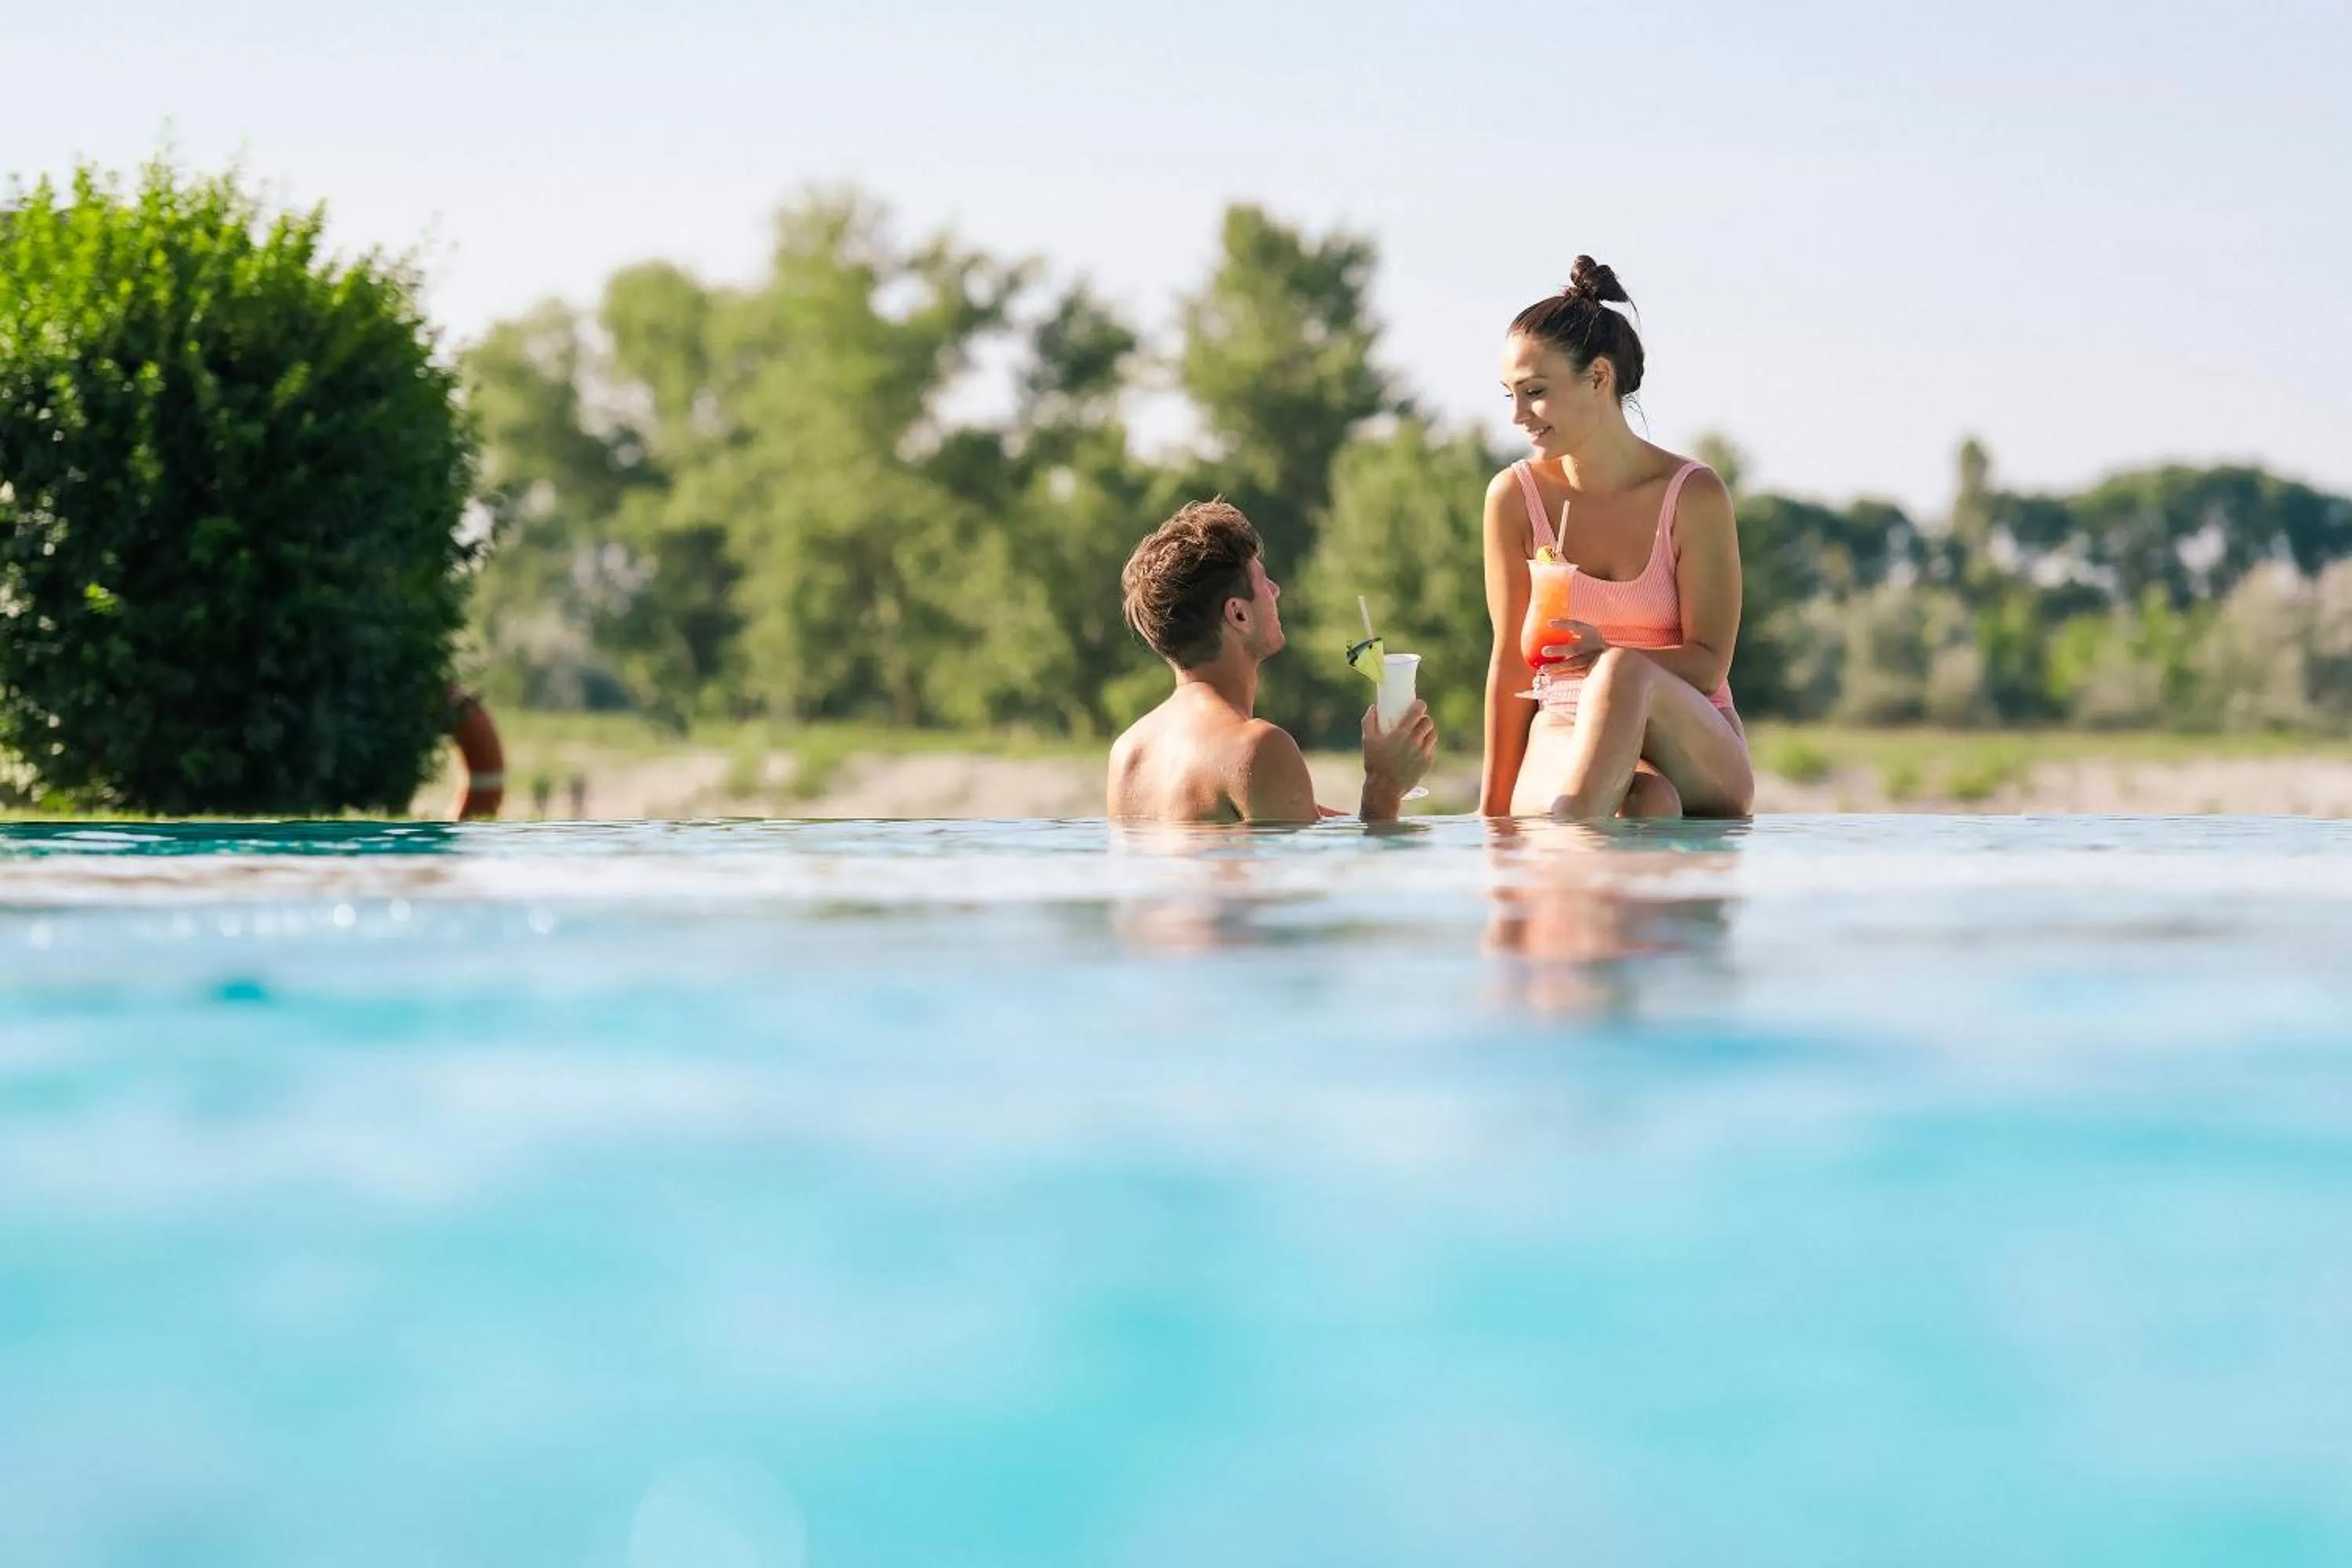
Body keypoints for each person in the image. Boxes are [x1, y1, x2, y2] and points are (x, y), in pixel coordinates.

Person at [1479, 256, 1756, 820]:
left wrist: (1607, 657)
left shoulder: (1694, 496)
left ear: (1599, 378)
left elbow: (1708, 665)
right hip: (1562, 725)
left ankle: (1574, 835)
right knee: (1646, 802)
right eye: (1510, 395)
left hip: (1689, 732)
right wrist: (1491, 819)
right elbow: (1510, 665)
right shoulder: (1514, 498)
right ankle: (1579, 853)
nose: (1518, 416)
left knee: (1622, 674)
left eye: (1535, 391)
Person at [1109, 499, 1436, 823]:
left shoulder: (1127, 754)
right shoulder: (1257, 748)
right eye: (1263, 580)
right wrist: (1384, 786)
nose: (1275, 590)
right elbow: (1349, 862)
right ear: (1239, 614)